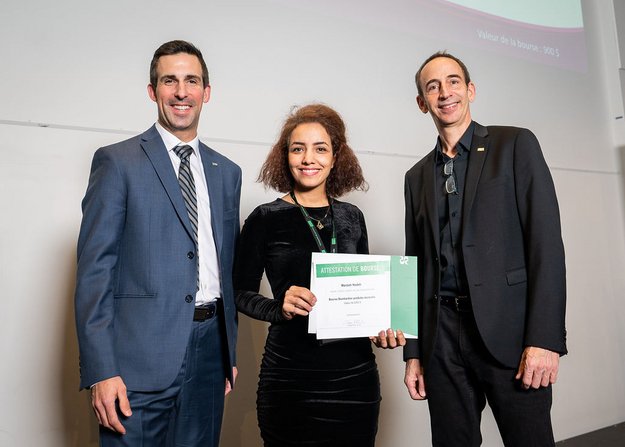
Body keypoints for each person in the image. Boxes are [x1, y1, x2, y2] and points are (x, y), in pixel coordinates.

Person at [74, 40, 241, 446]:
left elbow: (227, 267)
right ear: (153, 91)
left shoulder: (227, 172)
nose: (181, 92)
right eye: (170, 81)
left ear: (207, 92)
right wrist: (101, 369)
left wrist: (228, 352)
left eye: (192, 81)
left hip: (209, 355)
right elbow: (96, 270)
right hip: (136, 359)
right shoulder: (118, 161)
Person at [403, 51, 567, 446]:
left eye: (454, 81)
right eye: (433, 86)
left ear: (470, 90)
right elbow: (415, 264)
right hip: (441, 338)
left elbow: (546, 245)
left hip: (509, 335)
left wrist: (544, 339)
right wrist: (414, 351)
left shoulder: (515, 144)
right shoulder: (415, 176)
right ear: (422, 103)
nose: (445, 93)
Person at [234, 104, 405, 447]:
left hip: (355, 380)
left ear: (336, 155)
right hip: (290, 378)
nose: (308, 158)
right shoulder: (265, 218)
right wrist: (278, 306)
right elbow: (239, 292)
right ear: (286, 156)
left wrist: (384, 327)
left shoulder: (352, 217)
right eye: (298, 148)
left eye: (320, 148)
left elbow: (367, 292)